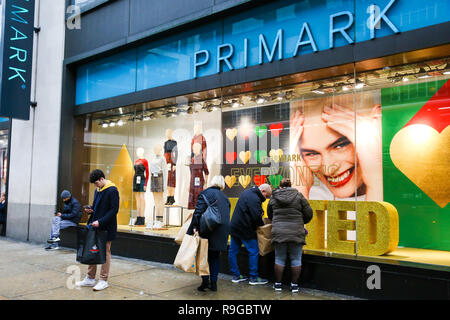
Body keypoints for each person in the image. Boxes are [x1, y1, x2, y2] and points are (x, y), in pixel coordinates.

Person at [290, 94, 382, 201]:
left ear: (377, 121)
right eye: (311, 154)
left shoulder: (402, 190)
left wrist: (377, 183)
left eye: (340, 145)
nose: (328, 169)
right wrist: (300, 191)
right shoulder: (313, 196)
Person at [75, 169, 120, 291]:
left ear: (102, 179)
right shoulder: (97, 190)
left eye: (96, 183)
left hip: (106, 227)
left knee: (105, 252)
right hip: (95, 226)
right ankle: (90, 278)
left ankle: (103, 280)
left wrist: (100, 221)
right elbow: (97, 207)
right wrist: (91, 210)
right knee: (92, 250)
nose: (95, 186)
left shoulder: (112, 190)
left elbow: (114, 210)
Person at [267, 178, 313, 293]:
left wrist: (277, 221)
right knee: (296, 259)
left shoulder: (273, 197)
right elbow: (309, 213)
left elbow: (269, 214)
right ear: (291, 185)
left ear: (280, 186)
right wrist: (301, 221)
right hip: (296, 232)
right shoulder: (299, 196)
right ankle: (294, 285)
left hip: (279, 232)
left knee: (279, 258)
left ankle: (277, 284)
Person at [187, 175, 231, 292]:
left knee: (203, 256)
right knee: (215, 257)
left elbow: (198, 212)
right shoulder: (225, 197)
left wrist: (194, 227)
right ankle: (214, 283)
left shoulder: (205, 193)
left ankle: (205, 282)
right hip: (221, 231)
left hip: (208, 229)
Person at [228, 183, 272, 285]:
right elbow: (256, 217)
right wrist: (262, 226)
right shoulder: (254, 198)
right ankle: (253, 277)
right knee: (254, 252)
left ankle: (236, 276)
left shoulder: (247, 192)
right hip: (245, 229)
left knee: (233, 251)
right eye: (267, 196)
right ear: (263, 191)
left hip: (235, 227)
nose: (266, 198)